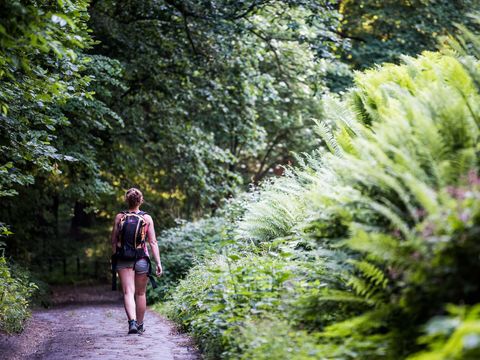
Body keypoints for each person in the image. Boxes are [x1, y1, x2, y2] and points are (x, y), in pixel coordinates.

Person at [110, 188, 163, 334]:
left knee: (128, 292)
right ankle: (140, 325)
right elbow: (153, 242)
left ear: (127, 200)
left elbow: (114, 241)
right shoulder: (147, 219)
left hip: (123, 258)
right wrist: (158, 263)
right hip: (141, 259)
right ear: (141, 200)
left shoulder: (120, 217)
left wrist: (115, 258)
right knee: (140, 294)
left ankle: (131, 323)